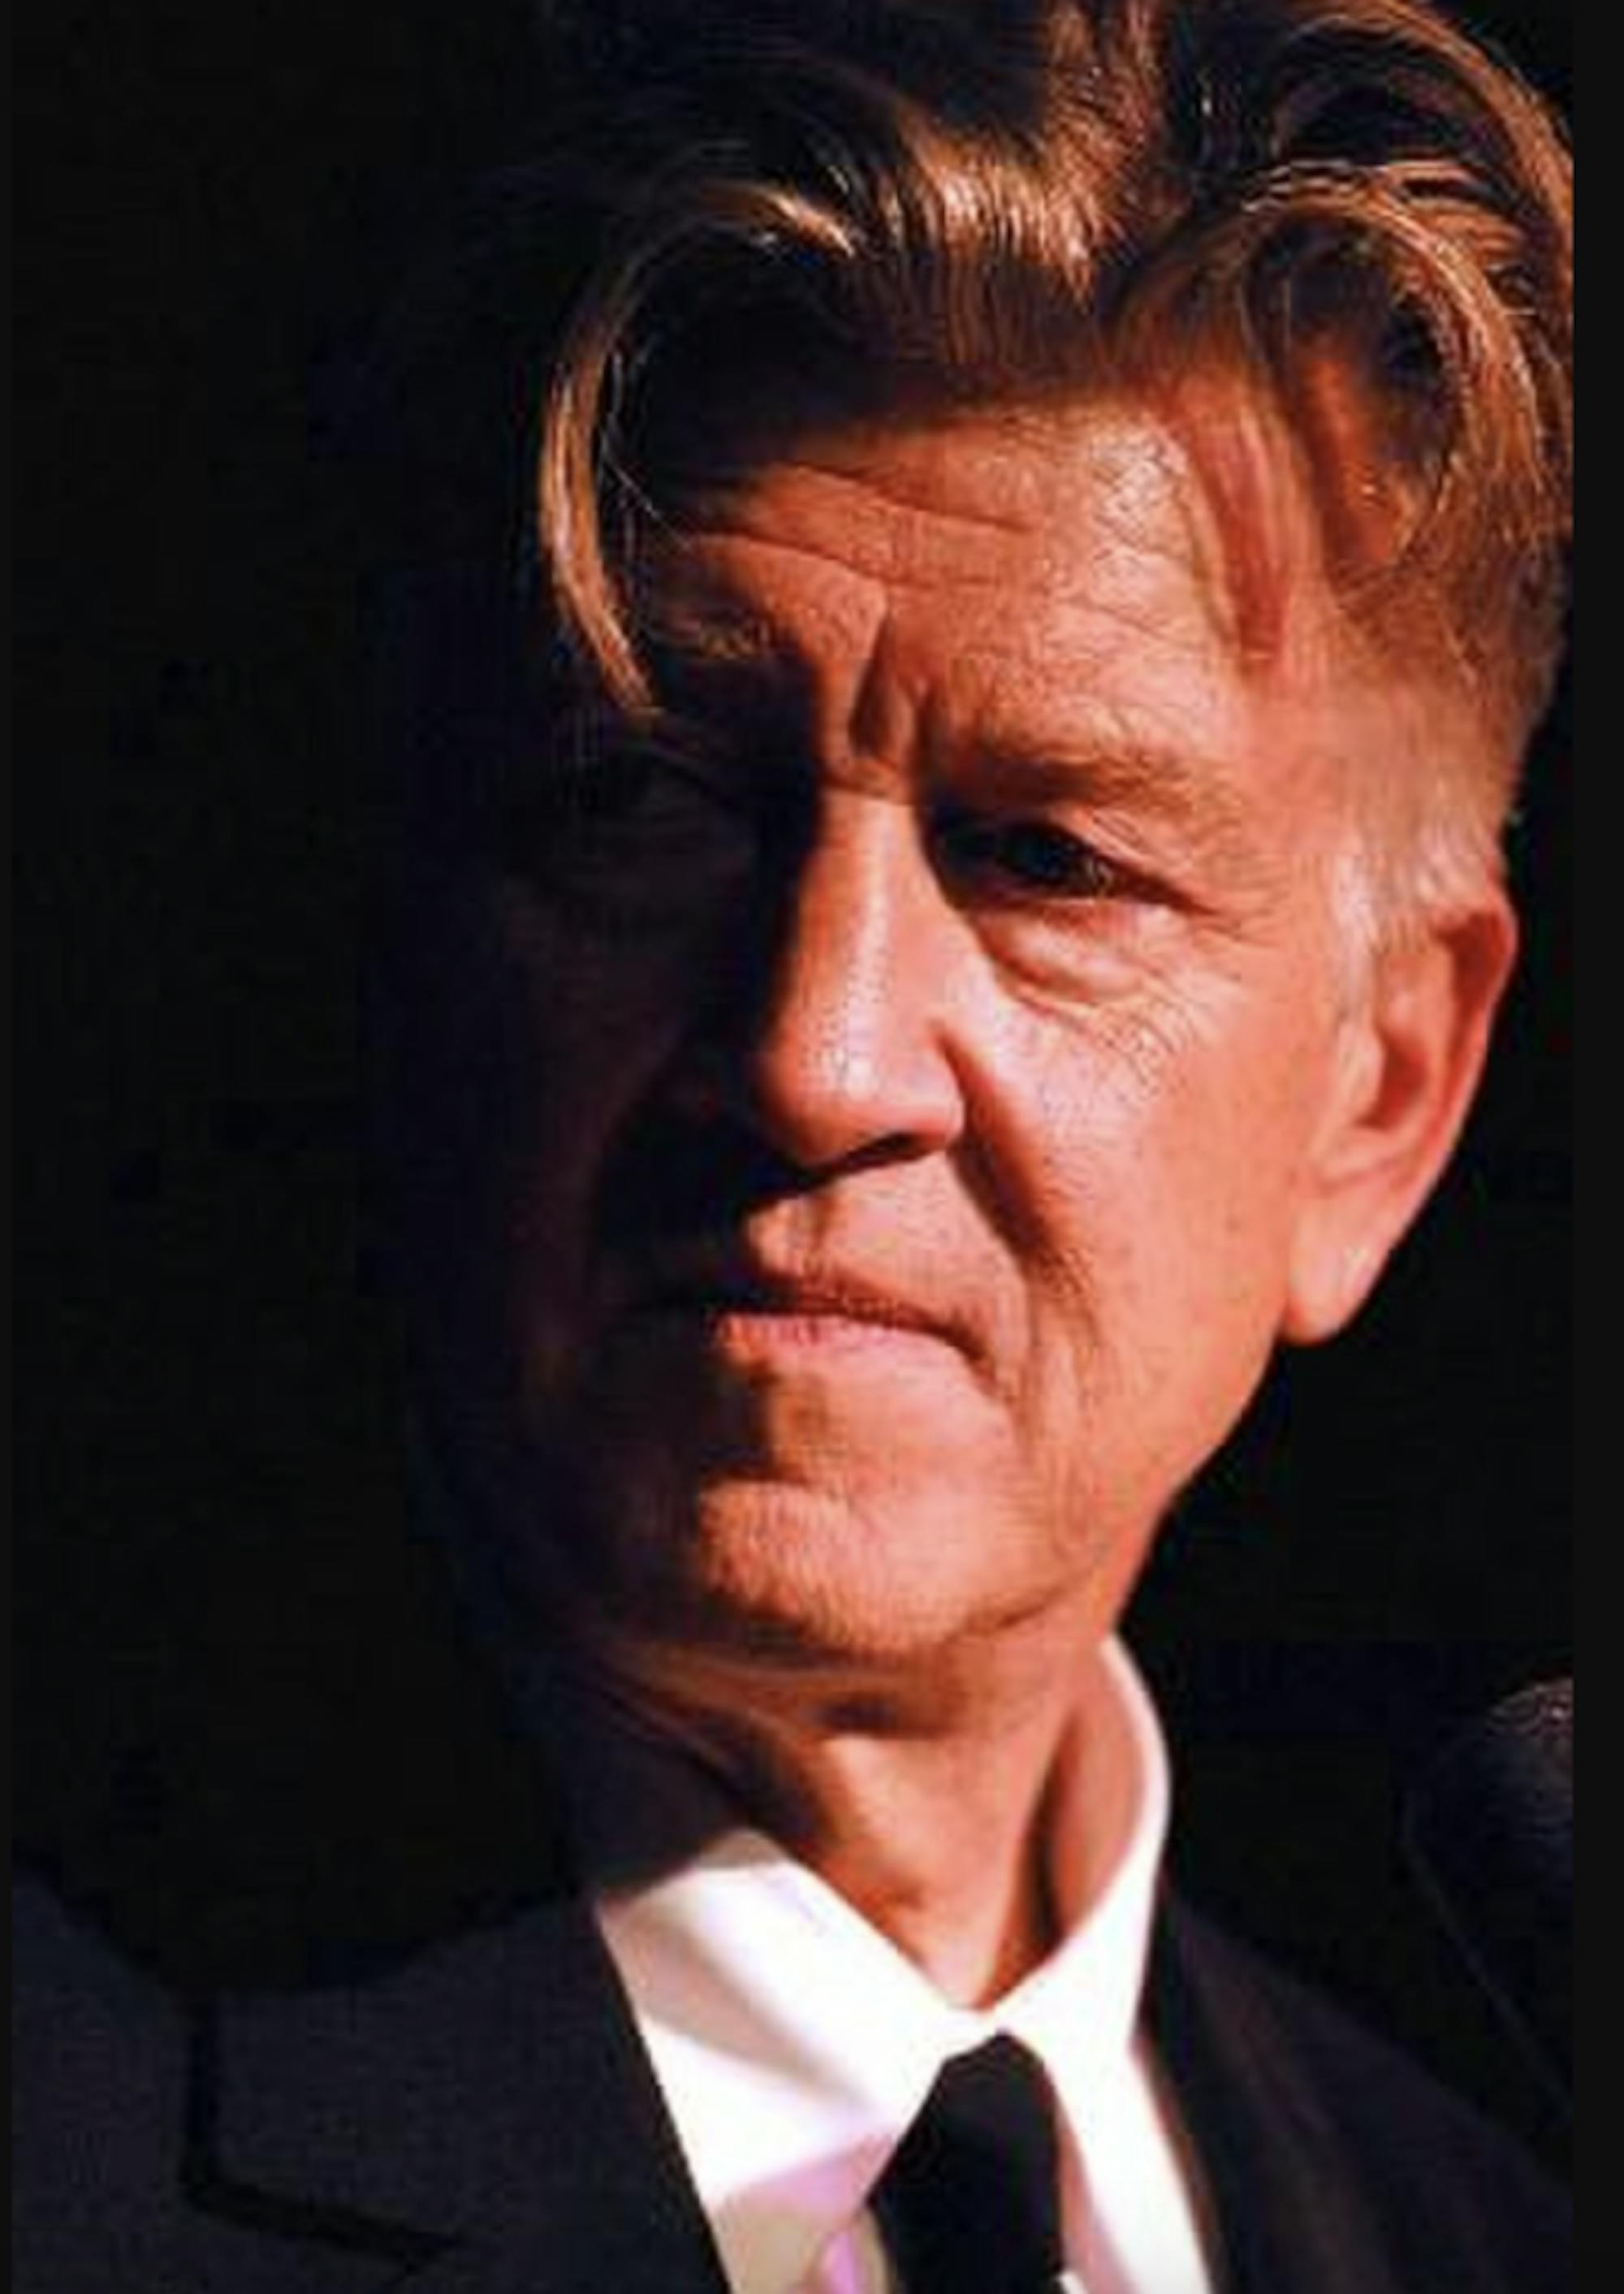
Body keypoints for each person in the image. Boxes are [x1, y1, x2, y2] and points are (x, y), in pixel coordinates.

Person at [15, 1, 1571, 2288]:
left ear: (1380, 1096)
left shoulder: (1491, 2233)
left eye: (1045, 859)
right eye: (645, 797)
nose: (817, 1059)